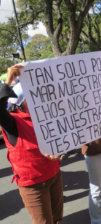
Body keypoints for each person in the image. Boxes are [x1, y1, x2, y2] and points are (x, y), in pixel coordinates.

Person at [0, 65, 63, 224]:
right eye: (33, 97)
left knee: (57, 218)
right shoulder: (13, 122)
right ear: (21, 102)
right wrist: (8, 81)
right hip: (34, 185)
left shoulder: (47, 117)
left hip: (54, 176)